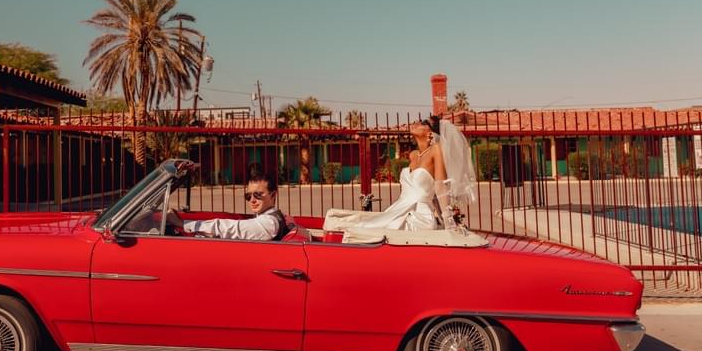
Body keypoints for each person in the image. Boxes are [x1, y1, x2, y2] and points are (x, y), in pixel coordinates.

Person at [323, 115, 478, 233]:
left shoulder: (436, 150)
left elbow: (439, 187)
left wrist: (448, 221)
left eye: (424, 123)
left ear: (431, 133)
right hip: (399, 208)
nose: (417, 122)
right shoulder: (413, 155)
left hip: (418, 215)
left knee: (365, 228)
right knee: (340, 218)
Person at [166, 164, 288, 240]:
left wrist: (182, 223)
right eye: (248, 196)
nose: (252, 200)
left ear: (273, 195)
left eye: (258, 195)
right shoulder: (269, 217)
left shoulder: (268, 223)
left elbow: (230, 228)